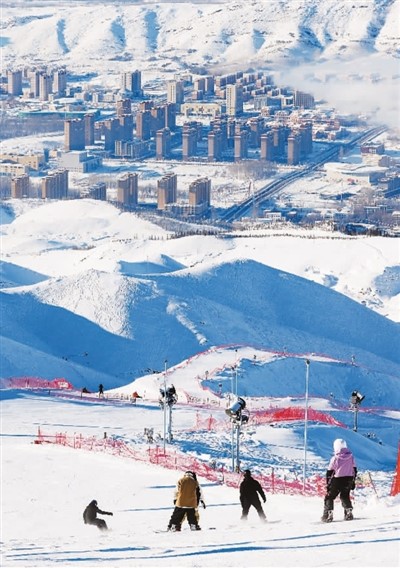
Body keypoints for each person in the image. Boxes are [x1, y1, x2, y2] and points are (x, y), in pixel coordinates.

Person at [321, 438, 357, 522]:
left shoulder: (335, 458)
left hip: (337, 480)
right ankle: (348, 511)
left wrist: (328, 484)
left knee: (329, 497)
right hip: (348, 479)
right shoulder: (351, 457)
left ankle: (328, 513)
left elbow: (330, 471)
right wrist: (353, 481)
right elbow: (354, 469)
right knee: (345, 496)